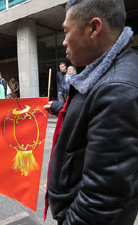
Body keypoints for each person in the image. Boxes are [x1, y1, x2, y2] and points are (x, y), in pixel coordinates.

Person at [44, 0, 138, 225]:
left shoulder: (116, 90)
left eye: (66, 31)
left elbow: (102, 201)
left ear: (94, 28)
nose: (64, 42)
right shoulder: (102, 72)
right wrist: (56, 107)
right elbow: (86, 115)